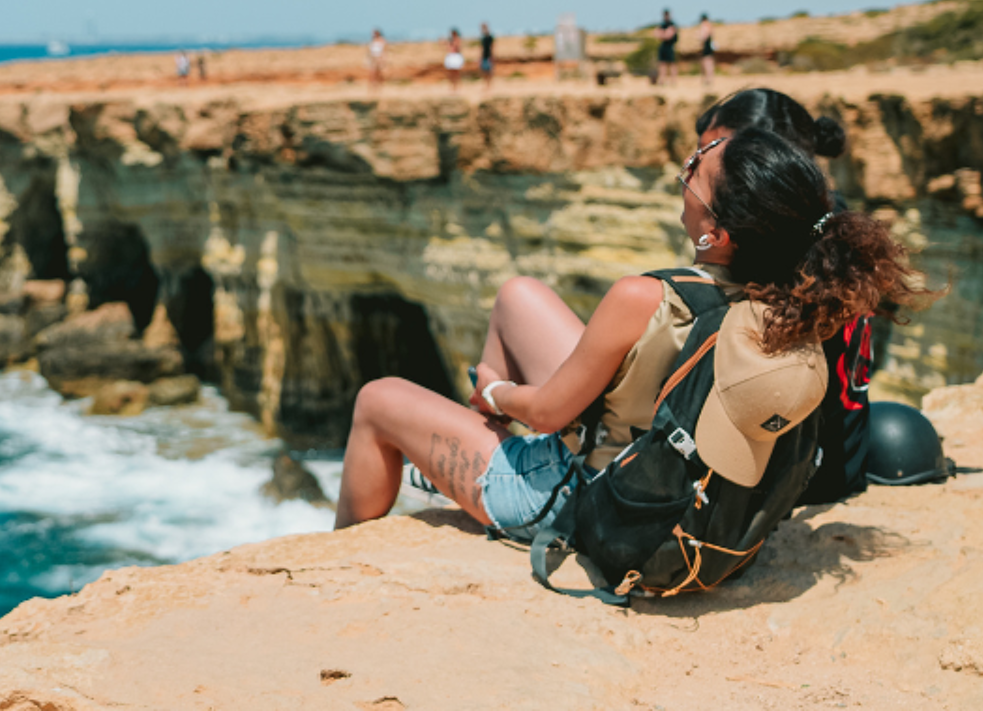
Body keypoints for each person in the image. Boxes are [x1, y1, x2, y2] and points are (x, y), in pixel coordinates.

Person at [332, 127, 929, 536]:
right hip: (666, 475)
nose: (686, 170)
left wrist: (493, 393)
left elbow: (543, 413)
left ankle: (358, 548)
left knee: (376, 399)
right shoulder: (791, 297)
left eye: (696, 170)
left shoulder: (643, 297)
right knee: (519, 297)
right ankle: (478, 461)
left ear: (715, 235)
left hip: (589, 497)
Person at [693, 88, 864, 505]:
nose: (700, 167)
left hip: (801, 482)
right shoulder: (829, 224)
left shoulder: (785, 247)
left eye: (714, 152)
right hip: (845, 459)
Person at [654, 10, 678, 85]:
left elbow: (668, 35)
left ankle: (673, 81)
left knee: (672, 64)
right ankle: (662, 80)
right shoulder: (662, 24)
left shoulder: (672, 24)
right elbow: (658, 34)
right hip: (663, 46)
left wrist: (663, 34)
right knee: (662, 64)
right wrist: (664, 34)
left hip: (670, 46)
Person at [699, 12, 717, 88]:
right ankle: (709, 79)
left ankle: (707, 79)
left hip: (706, 46)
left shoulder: (705, 25)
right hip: (709, 46)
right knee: (709, 63)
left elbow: (704, 37)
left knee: (706, 63)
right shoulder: (710, 25)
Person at [479, 22, 496, 89]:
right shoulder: (483, 38)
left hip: (489, 56)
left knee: (489, 71)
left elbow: (492, 47)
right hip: (484, 56)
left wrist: (492, 56)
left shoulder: (490, 37)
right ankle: (486, 85)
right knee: (484, 71)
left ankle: (489, 85)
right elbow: (481, 48)